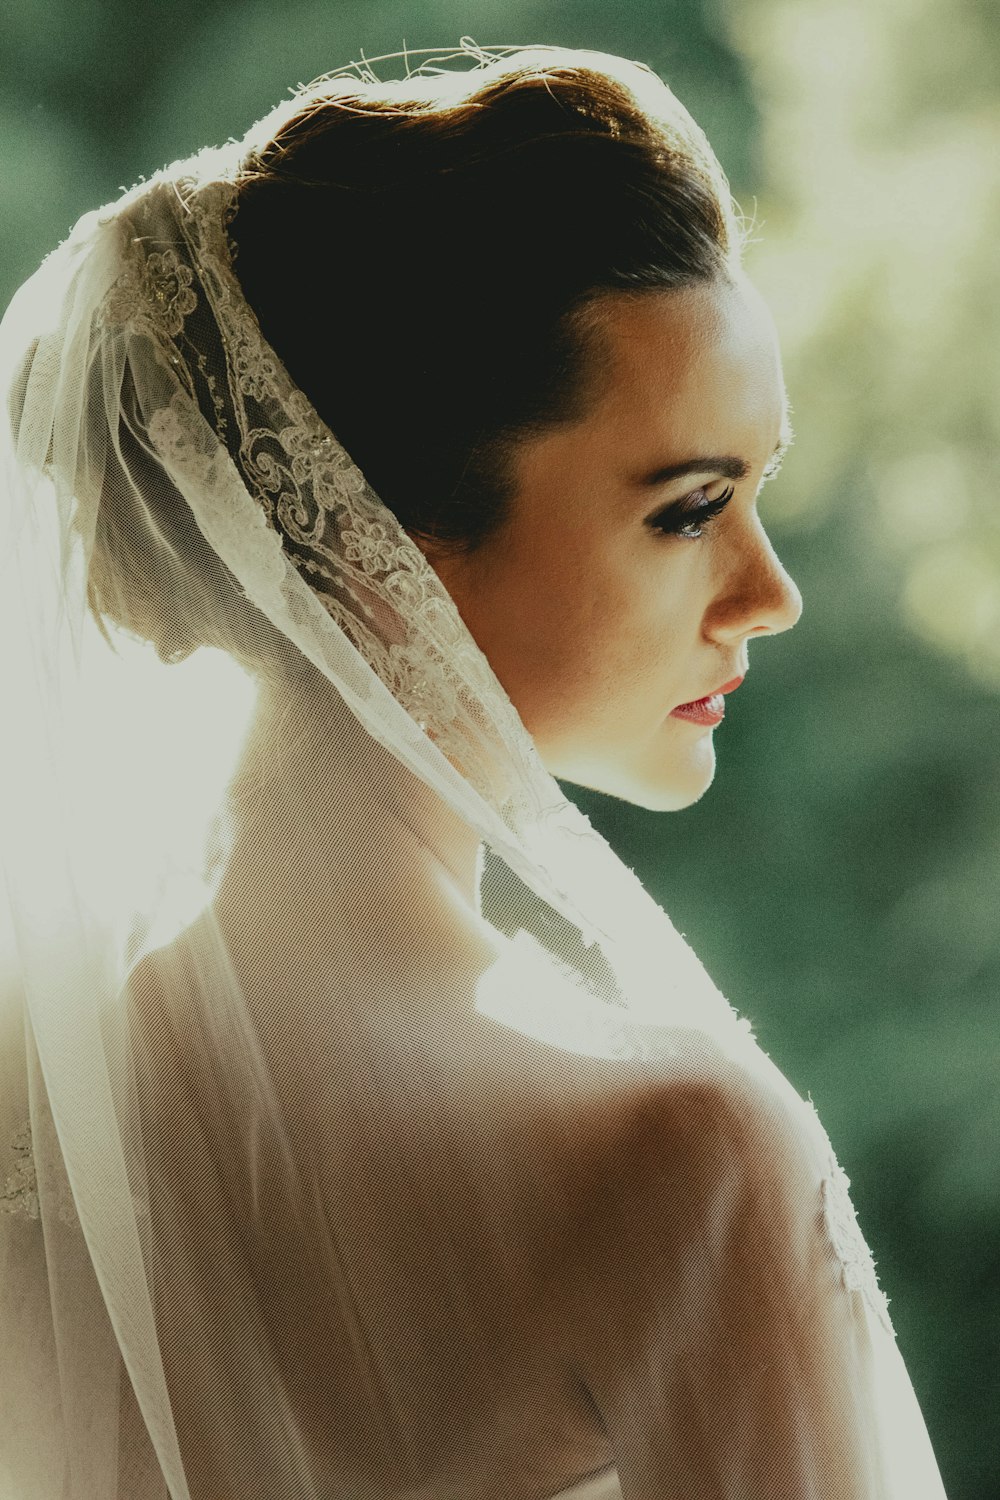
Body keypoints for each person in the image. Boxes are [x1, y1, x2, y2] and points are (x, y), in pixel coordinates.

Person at [0, 41, 947, 1500]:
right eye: (691, 509)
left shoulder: (37, 1105)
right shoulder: (676, 1163)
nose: (772, 593)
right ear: (381, 554)